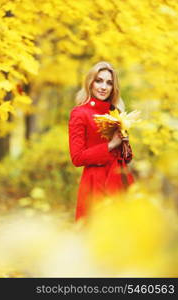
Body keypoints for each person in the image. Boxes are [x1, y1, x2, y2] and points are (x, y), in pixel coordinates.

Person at [68, 61, 134, 221]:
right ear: (90, 83)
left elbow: (127, 157)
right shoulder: (80, 113)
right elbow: (77, 158)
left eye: (109, 82)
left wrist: (124, 141)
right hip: (96, 183)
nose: (103, 87)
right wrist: (111, 145)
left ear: (114, 87)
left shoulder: (116, 112)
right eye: (99, 80)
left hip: (121, 180)